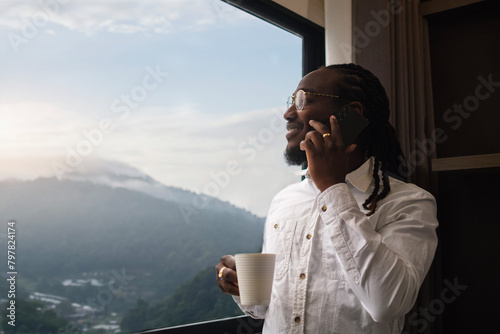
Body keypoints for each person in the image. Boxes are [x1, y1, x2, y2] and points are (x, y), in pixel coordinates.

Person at [215, 63, 438, 333]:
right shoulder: (284, 200)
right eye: (291, 102)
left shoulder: (408, 203)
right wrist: (241, 286)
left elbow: (386, 304)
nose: (288, 113)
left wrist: (333, 188)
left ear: (350, 115)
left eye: (302, 100)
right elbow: (264, 309)